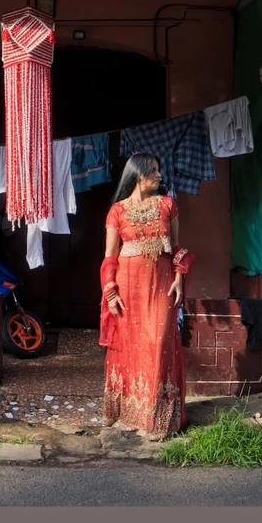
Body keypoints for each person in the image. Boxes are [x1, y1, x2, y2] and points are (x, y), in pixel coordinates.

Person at [99, 152, 194, 439]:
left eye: (158, 170)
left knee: (160, 341)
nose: (159, 175)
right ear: (138, 174)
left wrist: (179, 278)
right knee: (132, 346)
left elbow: (176, 247)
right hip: (128, 287)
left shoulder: (167, 205)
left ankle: (160, 420)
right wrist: (111, 292)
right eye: (153, 170)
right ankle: (128, 413)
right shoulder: (117, 211)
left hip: (163, 284)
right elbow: (109, 256)